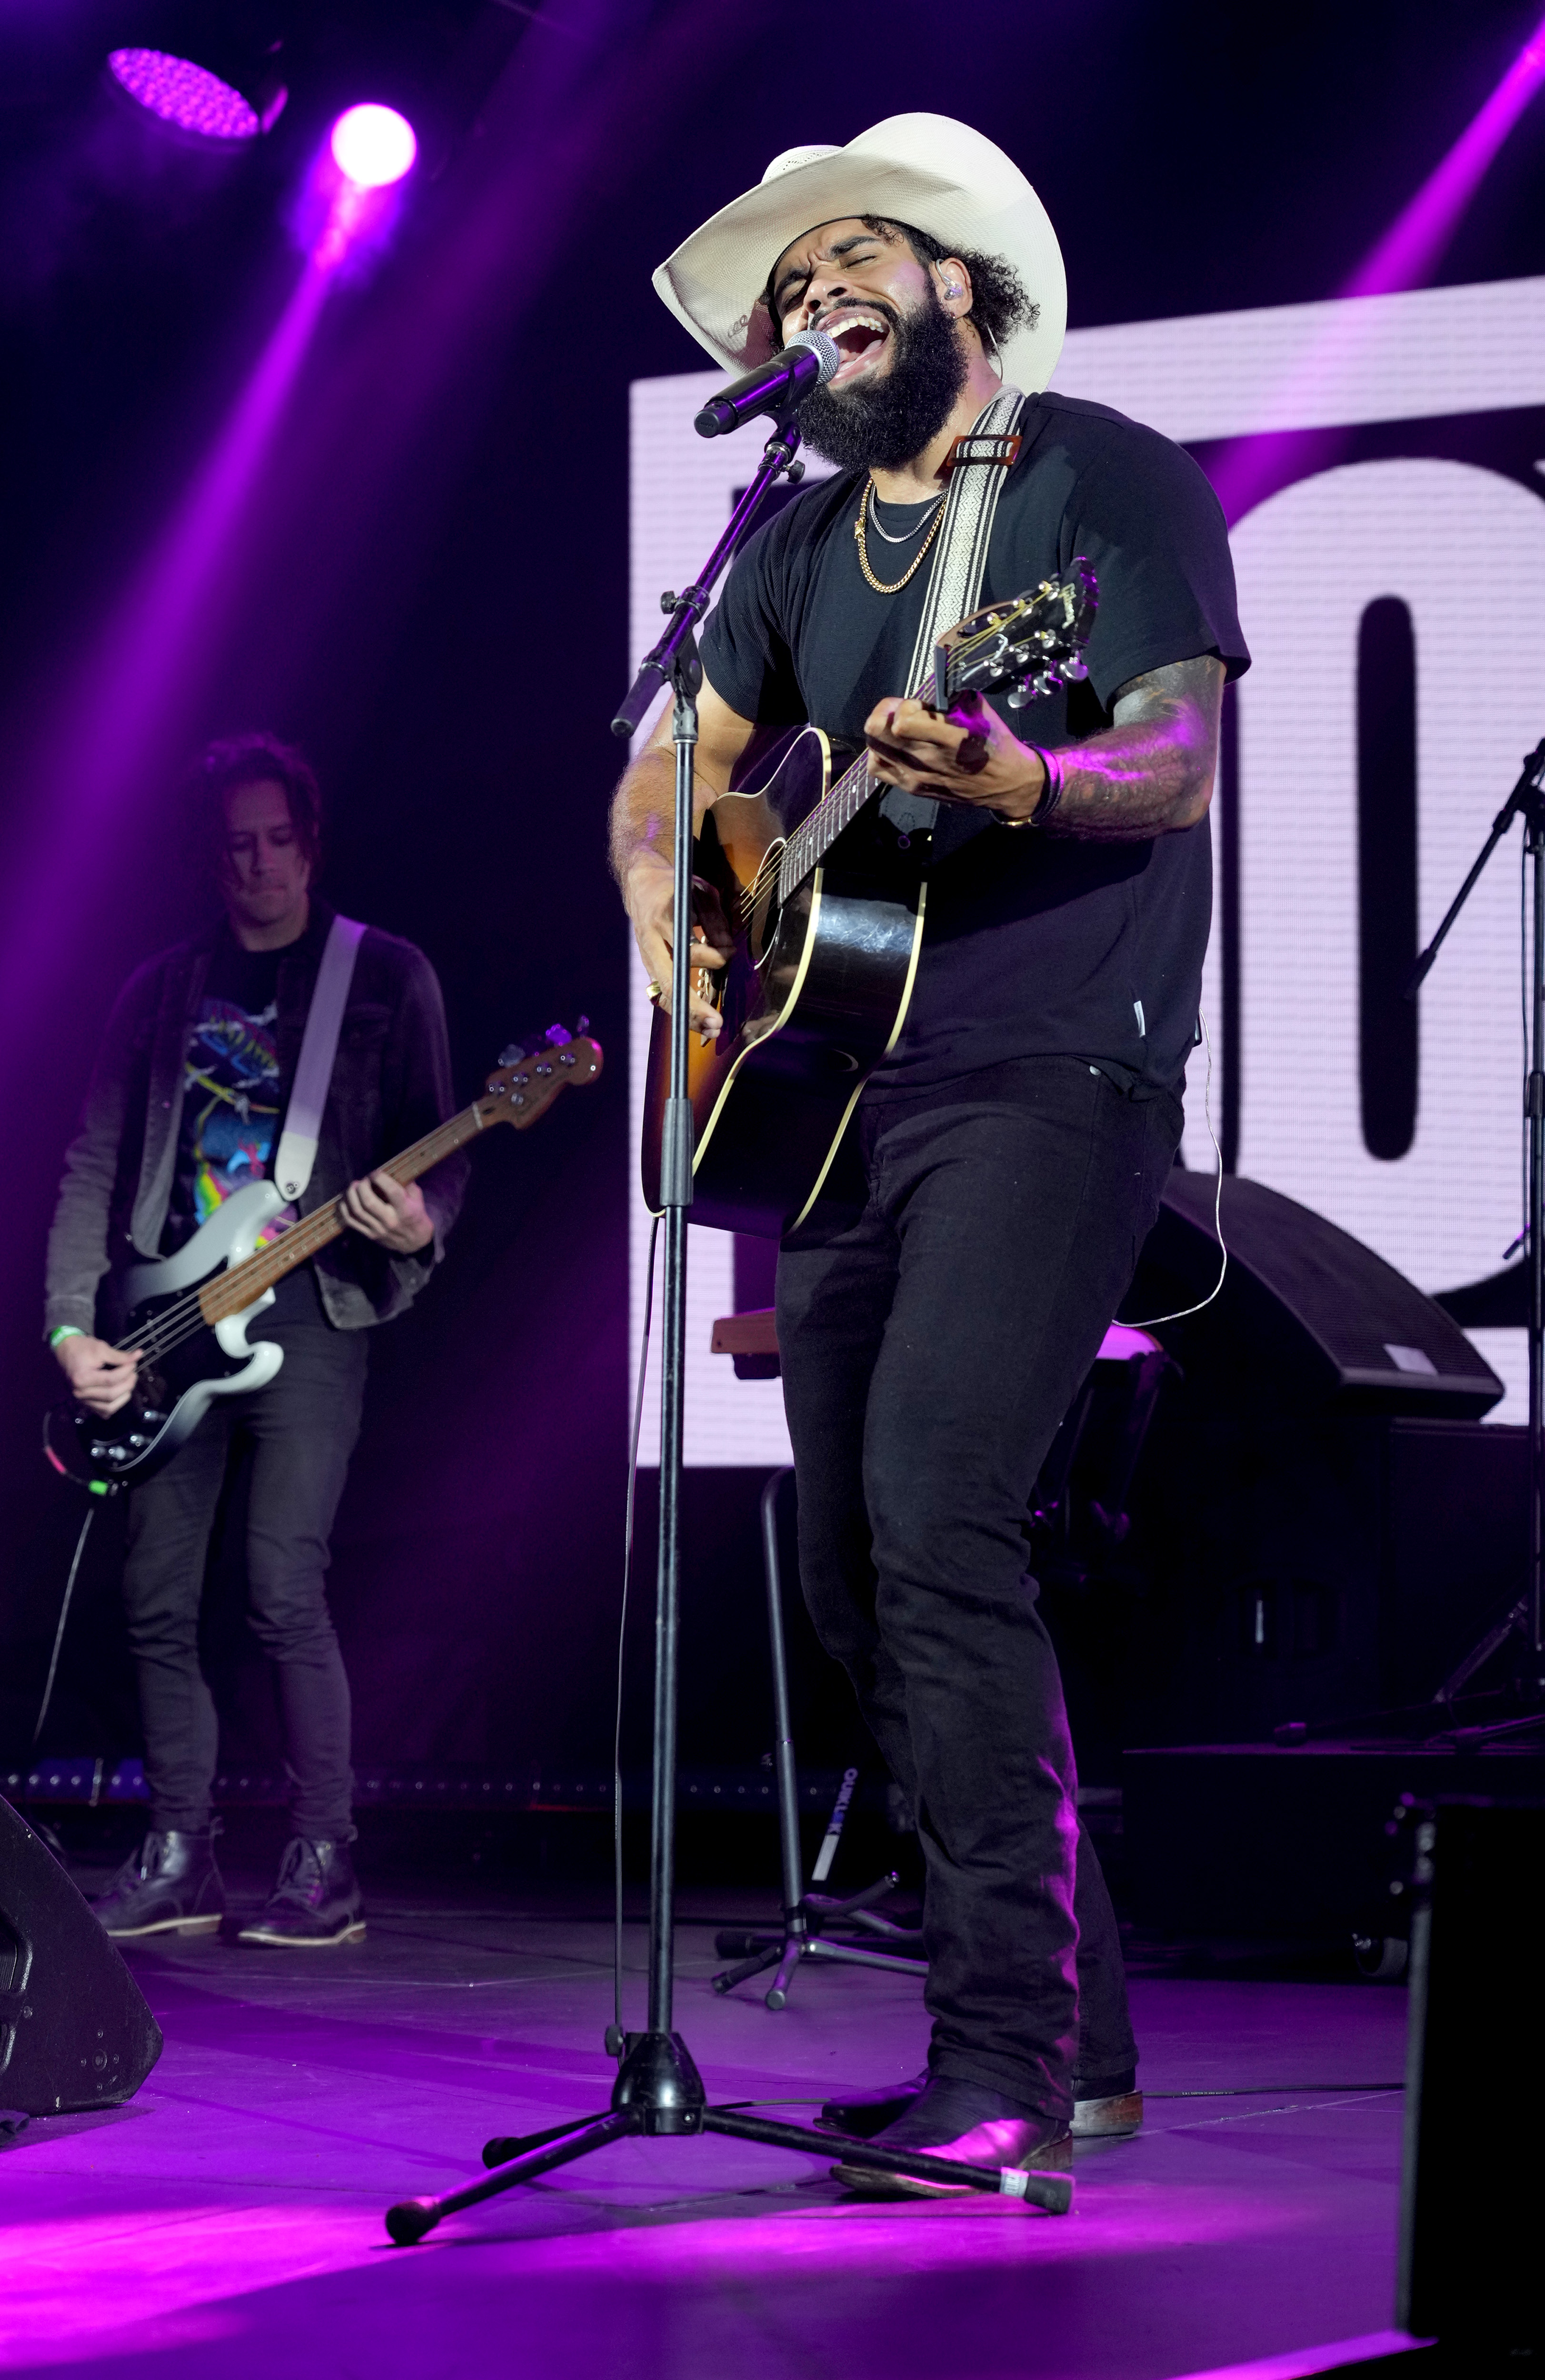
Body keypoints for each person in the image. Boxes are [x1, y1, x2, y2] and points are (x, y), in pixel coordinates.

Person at [612, 116, 1248, 2189]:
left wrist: (1022, 766)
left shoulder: (1095, 482)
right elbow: (669, 784)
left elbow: (1171, 754)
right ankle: (1077, 2045)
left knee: (935, 1513)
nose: (813, 301)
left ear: (958, 284)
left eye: (848, 263)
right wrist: (683, 919)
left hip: (1052, 1068)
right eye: (789, 289)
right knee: (846, 1573)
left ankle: (990, 2062)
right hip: (837, 1098)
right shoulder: (788, 548)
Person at [46, 734, 467, 1946]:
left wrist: (414, 1219)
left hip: (312, 1311)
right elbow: (90, 1161)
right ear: (209, 857)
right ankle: (180, 1851)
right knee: (154, 1597)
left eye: (278, 839)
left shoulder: (383, 975)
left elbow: (445, 1155)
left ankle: (321, 1855)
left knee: (284, 1582)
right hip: (163, 1322)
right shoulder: (159, 991)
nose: (258, 865)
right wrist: (75, 1327)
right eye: (235, 845)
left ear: (311, 843)